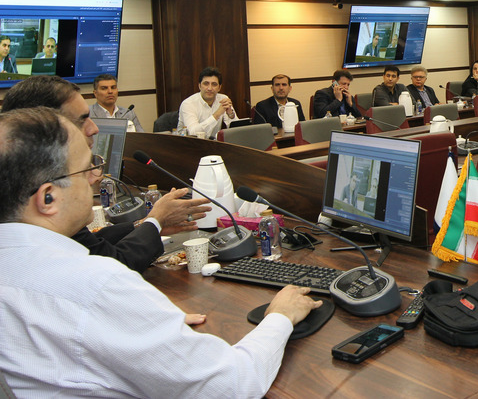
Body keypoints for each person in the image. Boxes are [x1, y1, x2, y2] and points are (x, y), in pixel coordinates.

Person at [0, 107, 321, 397]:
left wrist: (146, 321)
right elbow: (232, 385)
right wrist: (280, 316)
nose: (96, 179)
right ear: (48, 198)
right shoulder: (95, 285)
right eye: (87, 169)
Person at [1, 75, 209, 272]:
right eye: (81, 120)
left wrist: (147, 224)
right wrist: (155, 220)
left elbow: (91, 242)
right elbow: (114, 264)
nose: (94, 128)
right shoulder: (48, 199)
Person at [178, 67, 236, 139]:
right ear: (199, 86)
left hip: (212, 143)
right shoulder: (188, 104)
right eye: (206, 84)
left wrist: (230, 114)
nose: (210, 88)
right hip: (188, 143)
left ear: (219, 88)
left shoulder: (223, 99)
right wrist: (217, 114)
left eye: (214, 84)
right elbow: (193, 133)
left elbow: (236, 130)